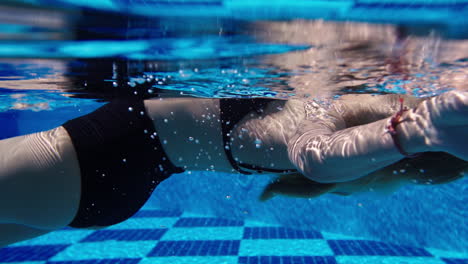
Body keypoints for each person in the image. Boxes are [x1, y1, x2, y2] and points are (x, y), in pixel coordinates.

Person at [0, 90, 466, 247]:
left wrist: (417, 130)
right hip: (96, 182)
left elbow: (319, 158)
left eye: (405, 103)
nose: (396, 99)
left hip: (77, 166)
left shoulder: (315, 115)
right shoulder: (317, 108)